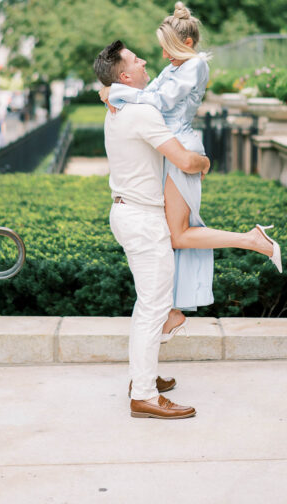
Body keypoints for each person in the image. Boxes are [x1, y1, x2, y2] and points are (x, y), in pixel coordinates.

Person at [99, 2, 281, 341]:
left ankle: (253, 241)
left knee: (178, 235)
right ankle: (171, 310)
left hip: (181, 150)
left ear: (185, 44)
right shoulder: (176, 67)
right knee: (169, 237)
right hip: (168, 150)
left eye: (168, 50)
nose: (163, 58)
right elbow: (149, 93)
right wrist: (117, 91)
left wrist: (115, 91)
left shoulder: (194, 66)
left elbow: (159, 102)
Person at [95, 39, 208, 419]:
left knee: (150, 304)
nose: (145, 62)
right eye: (136, 60)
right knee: (153, 307)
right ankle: (143, 394)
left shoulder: (121, 103)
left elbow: (107, 89)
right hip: (141, 220)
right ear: (125, 75)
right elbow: (183, 160)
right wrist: (204, 161)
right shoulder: (139, 111)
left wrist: (106, 90)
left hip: (131, 215)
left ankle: (141, 378)